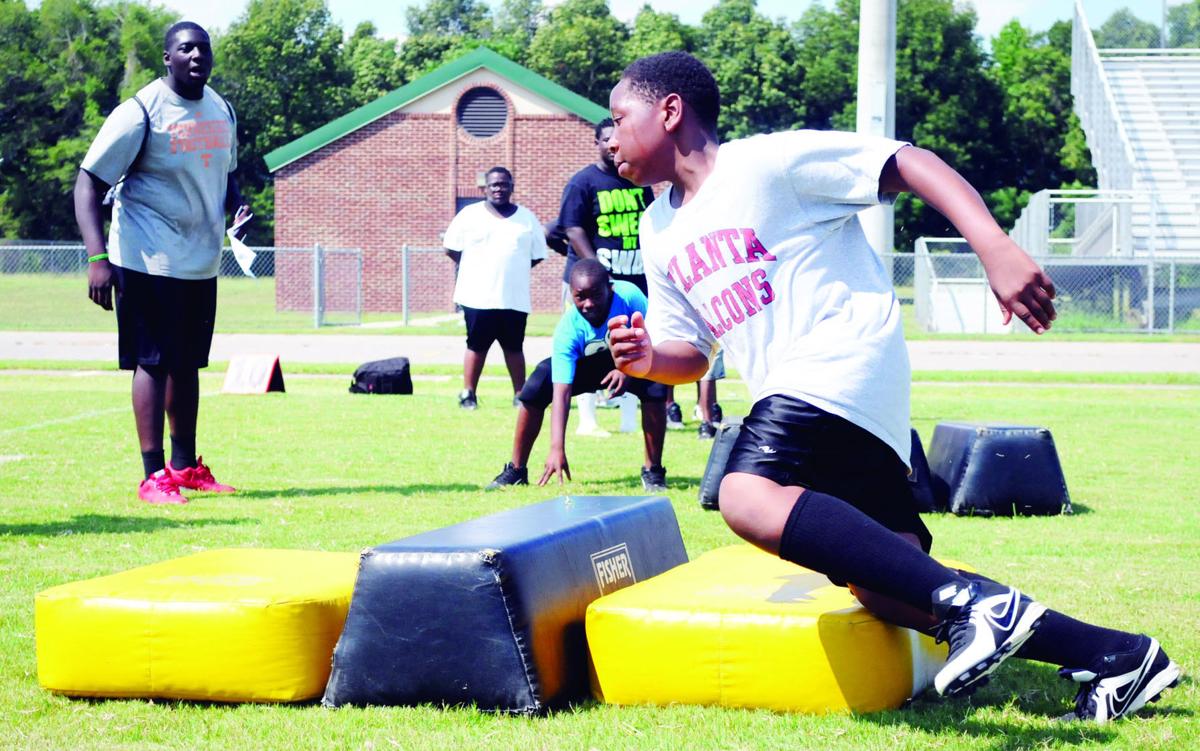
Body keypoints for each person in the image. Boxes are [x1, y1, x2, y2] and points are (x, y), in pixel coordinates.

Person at [605, 51, 1179, 722]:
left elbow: (907, 161)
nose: (609, 135)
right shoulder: (658, 228)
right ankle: (1121, 655)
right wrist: (648, 358)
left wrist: (993, 244)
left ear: (670, 111)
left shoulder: (767, 165)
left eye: (618, 117)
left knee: (744, 493)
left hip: (839, 361)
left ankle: (977, 608)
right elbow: (693, 354)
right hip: (832, 402)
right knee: (890, 587)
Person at [74, 21, 249, 505]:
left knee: (187, 363)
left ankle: (186, 466)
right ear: (167, 58)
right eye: (185, 49)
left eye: (204, 48)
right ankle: (153, 476)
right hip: (144, 257)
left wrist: (236, 207)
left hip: (199, 260)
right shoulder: (140, 112)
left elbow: (226, 175)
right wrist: (97, 258)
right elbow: (87, 183)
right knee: (150, 364)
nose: (197, 56)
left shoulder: (222, 109)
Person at [487, 259, 668, 492]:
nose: (588, 304)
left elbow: (655, 335)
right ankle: (516, 470)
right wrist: (556, 448)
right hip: (588, 365)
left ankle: (653, 471)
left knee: (655, 386)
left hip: (632, 360)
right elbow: (561, 392)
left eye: (596, 295)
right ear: (571, 294)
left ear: (609, 288)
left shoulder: (629, 297)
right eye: (580, 296)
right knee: (538, 383)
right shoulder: (568, 328)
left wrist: (627, 371)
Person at [558, 118, 657, 437]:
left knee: (634, 347)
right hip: (594, 285)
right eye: (604, 140)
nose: (611, 146)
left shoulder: (638, 181)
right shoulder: (583, 182)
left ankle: (629, 418)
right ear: (596, 143)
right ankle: (588, 421)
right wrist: (598, 275)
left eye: (616, 139)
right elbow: (572, 228)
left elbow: (651, 225)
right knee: (587, 351)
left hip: (632, 282)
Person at [444, 167, 547, 409]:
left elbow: (537, 255)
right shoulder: (469, 215)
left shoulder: (526, 218)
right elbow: (451, 249)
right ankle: (468, 393)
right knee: (476, 346)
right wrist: (477, 268)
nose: (499, 189)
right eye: (494, 185)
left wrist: (513, 269)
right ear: (485, 188)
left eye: (503, 184)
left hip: (513, 297)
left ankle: (520, 394)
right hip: (477, 297)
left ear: (512, 187)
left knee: (514, 347)